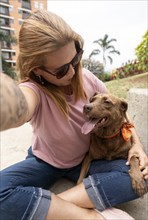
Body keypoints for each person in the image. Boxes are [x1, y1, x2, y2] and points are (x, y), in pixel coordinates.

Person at [0, 9, 147, 220]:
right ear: (37, 70)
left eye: (76, 58)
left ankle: (53, 206)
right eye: (60, 71)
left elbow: (121, 114)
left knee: (141, 174)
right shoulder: (33, 90)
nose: (72, 71)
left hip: (88, 161)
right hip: (45, 163)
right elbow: (19, 103)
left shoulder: (87, 77)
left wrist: (137, 145)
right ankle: (92, 216)